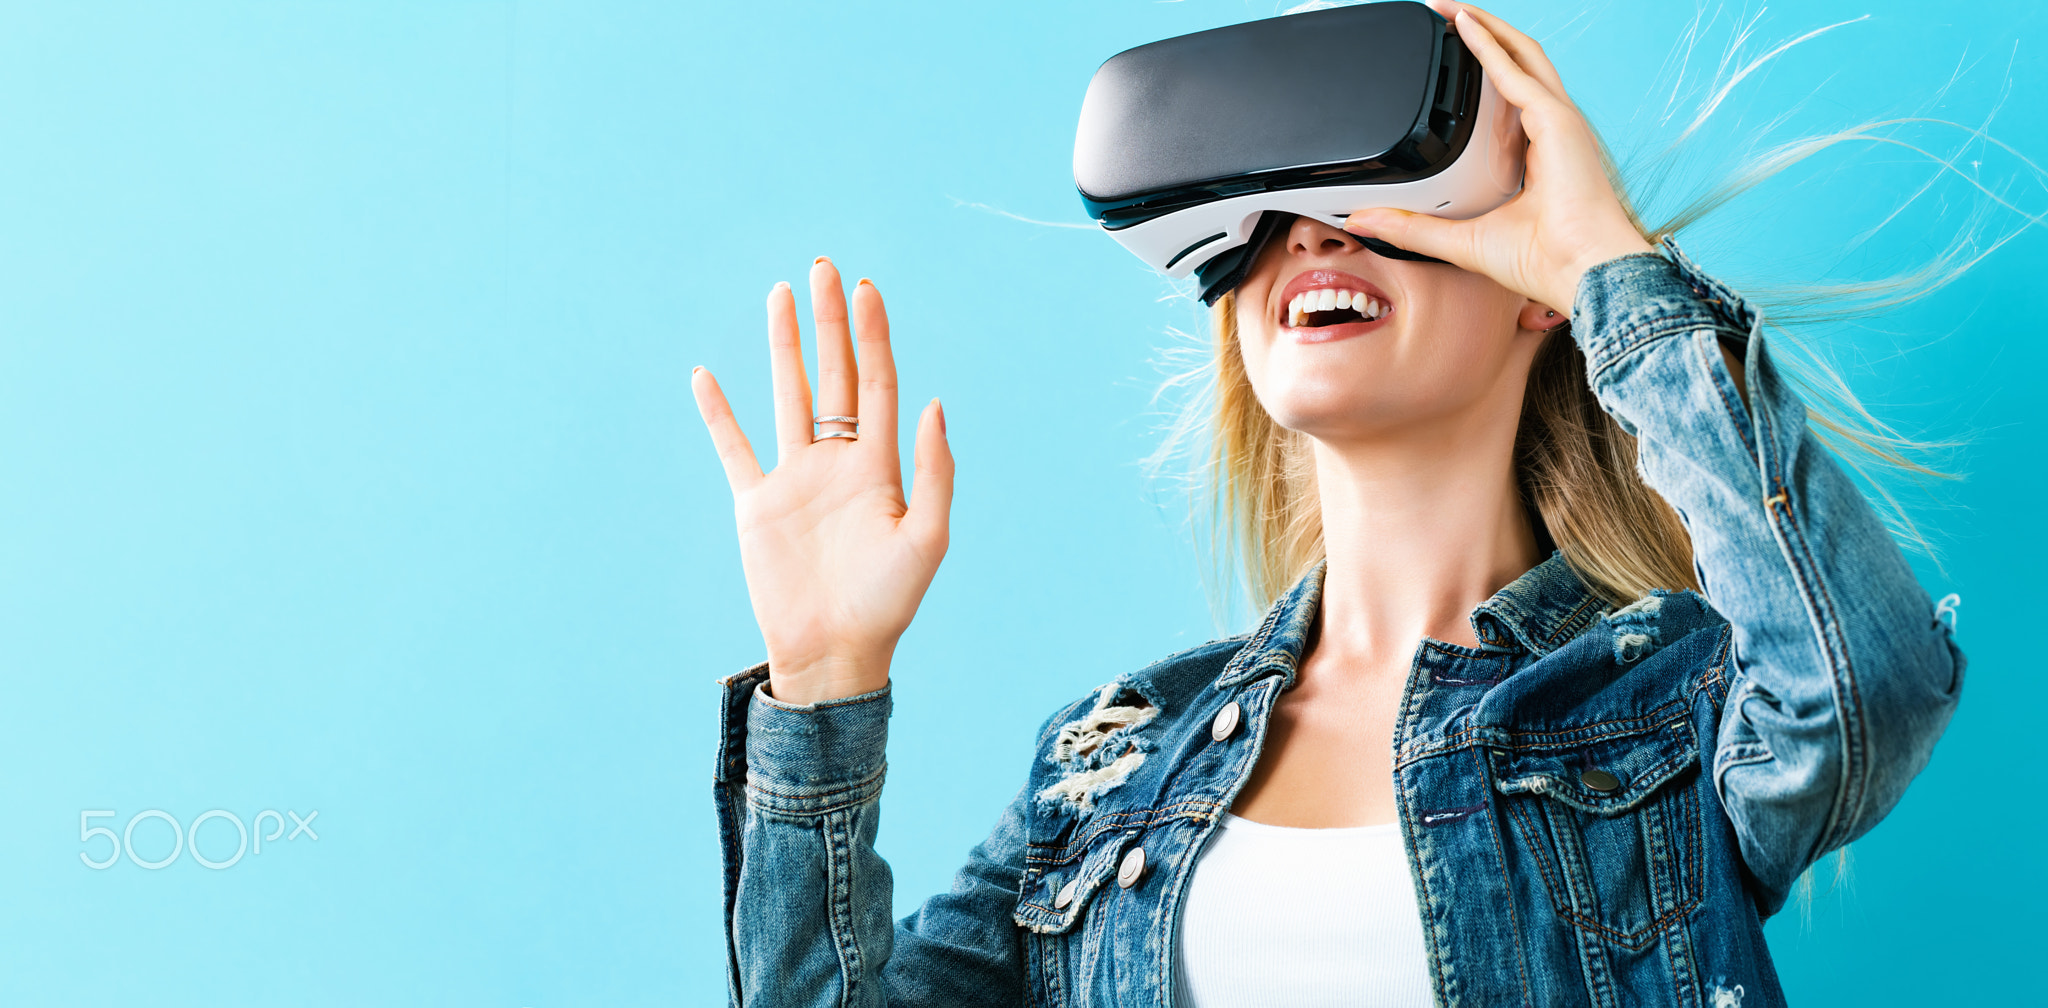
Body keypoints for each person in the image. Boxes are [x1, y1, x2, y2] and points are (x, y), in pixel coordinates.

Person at [688, 4, 1965, 1006]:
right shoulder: (1111, 765)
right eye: (1264, 212)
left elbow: (1867, 688)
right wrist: (824, 688)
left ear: (1533, 289)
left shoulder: (1664, 707)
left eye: (1373, 194)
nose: (1309, 233)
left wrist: (1605, 269)